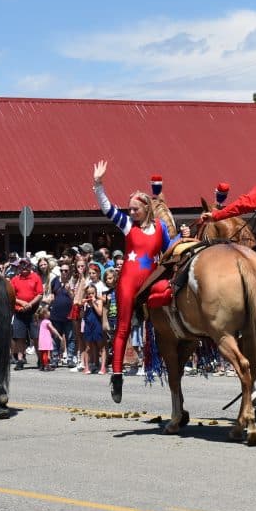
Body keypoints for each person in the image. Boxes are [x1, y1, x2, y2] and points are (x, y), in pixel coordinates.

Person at [92, 161, 176, 403]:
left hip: (150, 281)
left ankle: (165, 358)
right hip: (128, 282)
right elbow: (108, 209)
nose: (130, 213)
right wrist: (98, 185)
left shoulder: (160, 228)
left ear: (146, 209)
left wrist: (186, 236)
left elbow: (170, 249)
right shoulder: (128, 226)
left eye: (134, 209)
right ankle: (117, 375)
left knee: (165, 310)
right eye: (129, 209)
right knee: (124, 327)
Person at [10, 257, 44, 368]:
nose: (23, 267)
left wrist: (30, 304)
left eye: (25, 265)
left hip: (33, 312)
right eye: (21, 265)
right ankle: (20, 360)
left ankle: (40, 359)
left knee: (36, 337)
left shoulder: (36, 277)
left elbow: (39, 294)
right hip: (19, 312)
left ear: (30, 266)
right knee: (20, 337)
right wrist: (22, 302)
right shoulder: (14, 279)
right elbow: (11, 296)